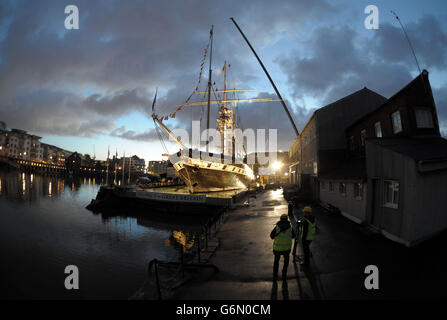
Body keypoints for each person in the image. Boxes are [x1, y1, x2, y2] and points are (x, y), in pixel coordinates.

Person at [270, 214, 296, 281]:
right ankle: (284, 273)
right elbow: (293, 236)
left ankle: (275, 274)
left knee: (276, 261)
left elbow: (271, 236)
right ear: (287, 219)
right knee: (286, 261)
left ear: (280, 219)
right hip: (286, 249)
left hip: (277, 249)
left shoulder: (277, 227)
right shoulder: (290, 228)